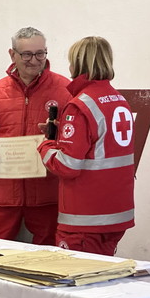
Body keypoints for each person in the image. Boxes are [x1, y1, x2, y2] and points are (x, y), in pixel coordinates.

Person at [0, 27, 71, 245]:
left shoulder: (64, 89)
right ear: (12, 54)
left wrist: (58, 133)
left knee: (49, 263)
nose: (34, 60)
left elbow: (78, 137)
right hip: (3, 196)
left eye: (40, 53)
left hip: (47, 196)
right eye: (26, 54)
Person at [37, 36, 135, 256]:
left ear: (79, 64)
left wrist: (46, 145)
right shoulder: (118, 99)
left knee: (77, 282)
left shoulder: (80, 105)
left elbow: (68, 165)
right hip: (116, 213)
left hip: (85, 217)